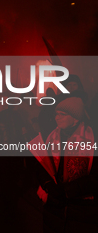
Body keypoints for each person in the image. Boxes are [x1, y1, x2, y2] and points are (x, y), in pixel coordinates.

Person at [34, 95, 98, 233]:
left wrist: (67, 191)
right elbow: (42, 165)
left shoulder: (92, 139)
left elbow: (95, 176)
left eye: (63, 114)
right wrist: (48, 185)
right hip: (53, 207)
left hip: (81, 210)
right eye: (57, 114)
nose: (57, 117)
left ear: (75, 118)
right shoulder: (51, 137)